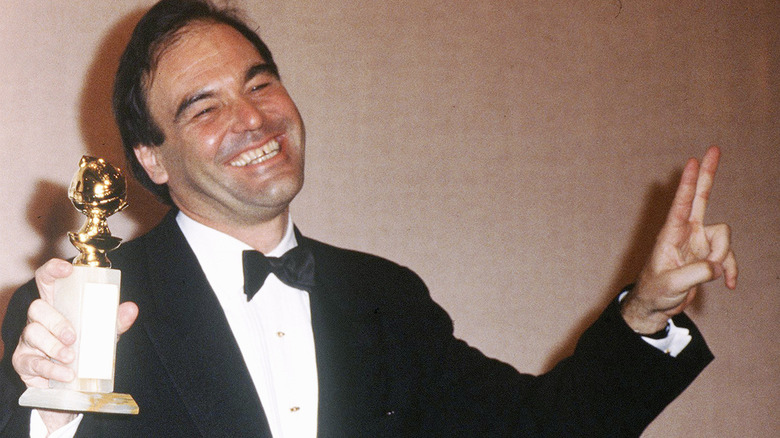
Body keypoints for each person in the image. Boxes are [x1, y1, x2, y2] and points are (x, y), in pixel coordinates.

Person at [0, 0, 737, 437]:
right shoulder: (71, 310)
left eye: (260, 84)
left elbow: (537, 430)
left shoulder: (385, 297)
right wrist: (51, 416)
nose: (254, 118)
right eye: (205, 106)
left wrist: (649, 310)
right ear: (151, 158)